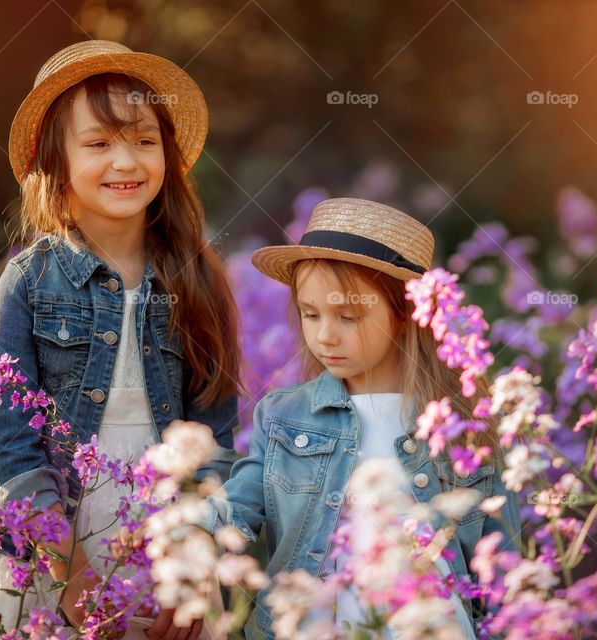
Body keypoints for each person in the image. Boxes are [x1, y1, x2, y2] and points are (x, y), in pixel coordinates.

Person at [0, 39, 239, 640]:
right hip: (42, 544)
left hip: (159, 541)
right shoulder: (27, 281)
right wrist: (70, 575)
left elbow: (214, 440)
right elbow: (10, 443)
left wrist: (193, 564)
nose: (126, 162)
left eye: (145, 141)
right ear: (56, 162)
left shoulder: (197, 278)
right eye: (98, 144)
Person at [196, 197, 521, 639]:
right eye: (311, 315)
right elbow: (235, 508)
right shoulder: (285, 415)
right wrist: (185, 543)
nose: (324, 335)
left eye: (348, 316)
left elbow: (503, 569)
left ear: (405, 314)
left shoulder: (464, 429)